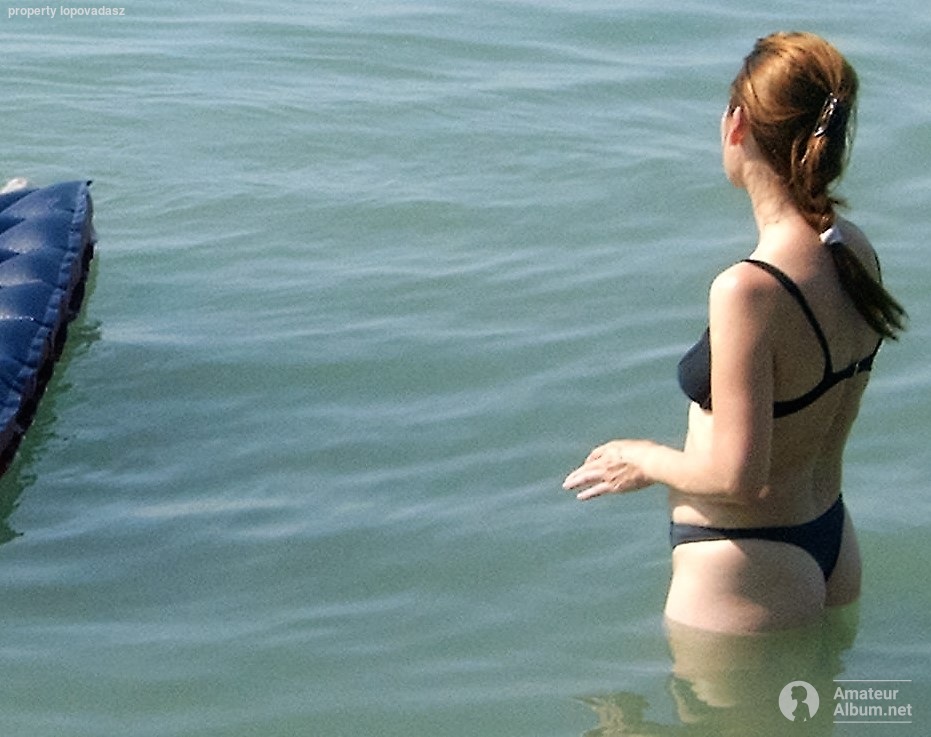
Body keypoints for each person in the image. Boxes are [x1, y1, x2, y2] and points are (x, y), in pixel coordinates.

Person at [563, 32, 906, 633]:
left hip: (745, 563)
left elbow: (737, 479)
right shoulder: (853, 250)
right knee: (815, 696)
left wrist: (641, 458)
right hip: (831, 540)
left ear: (737, 124)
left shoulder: (747, 290)